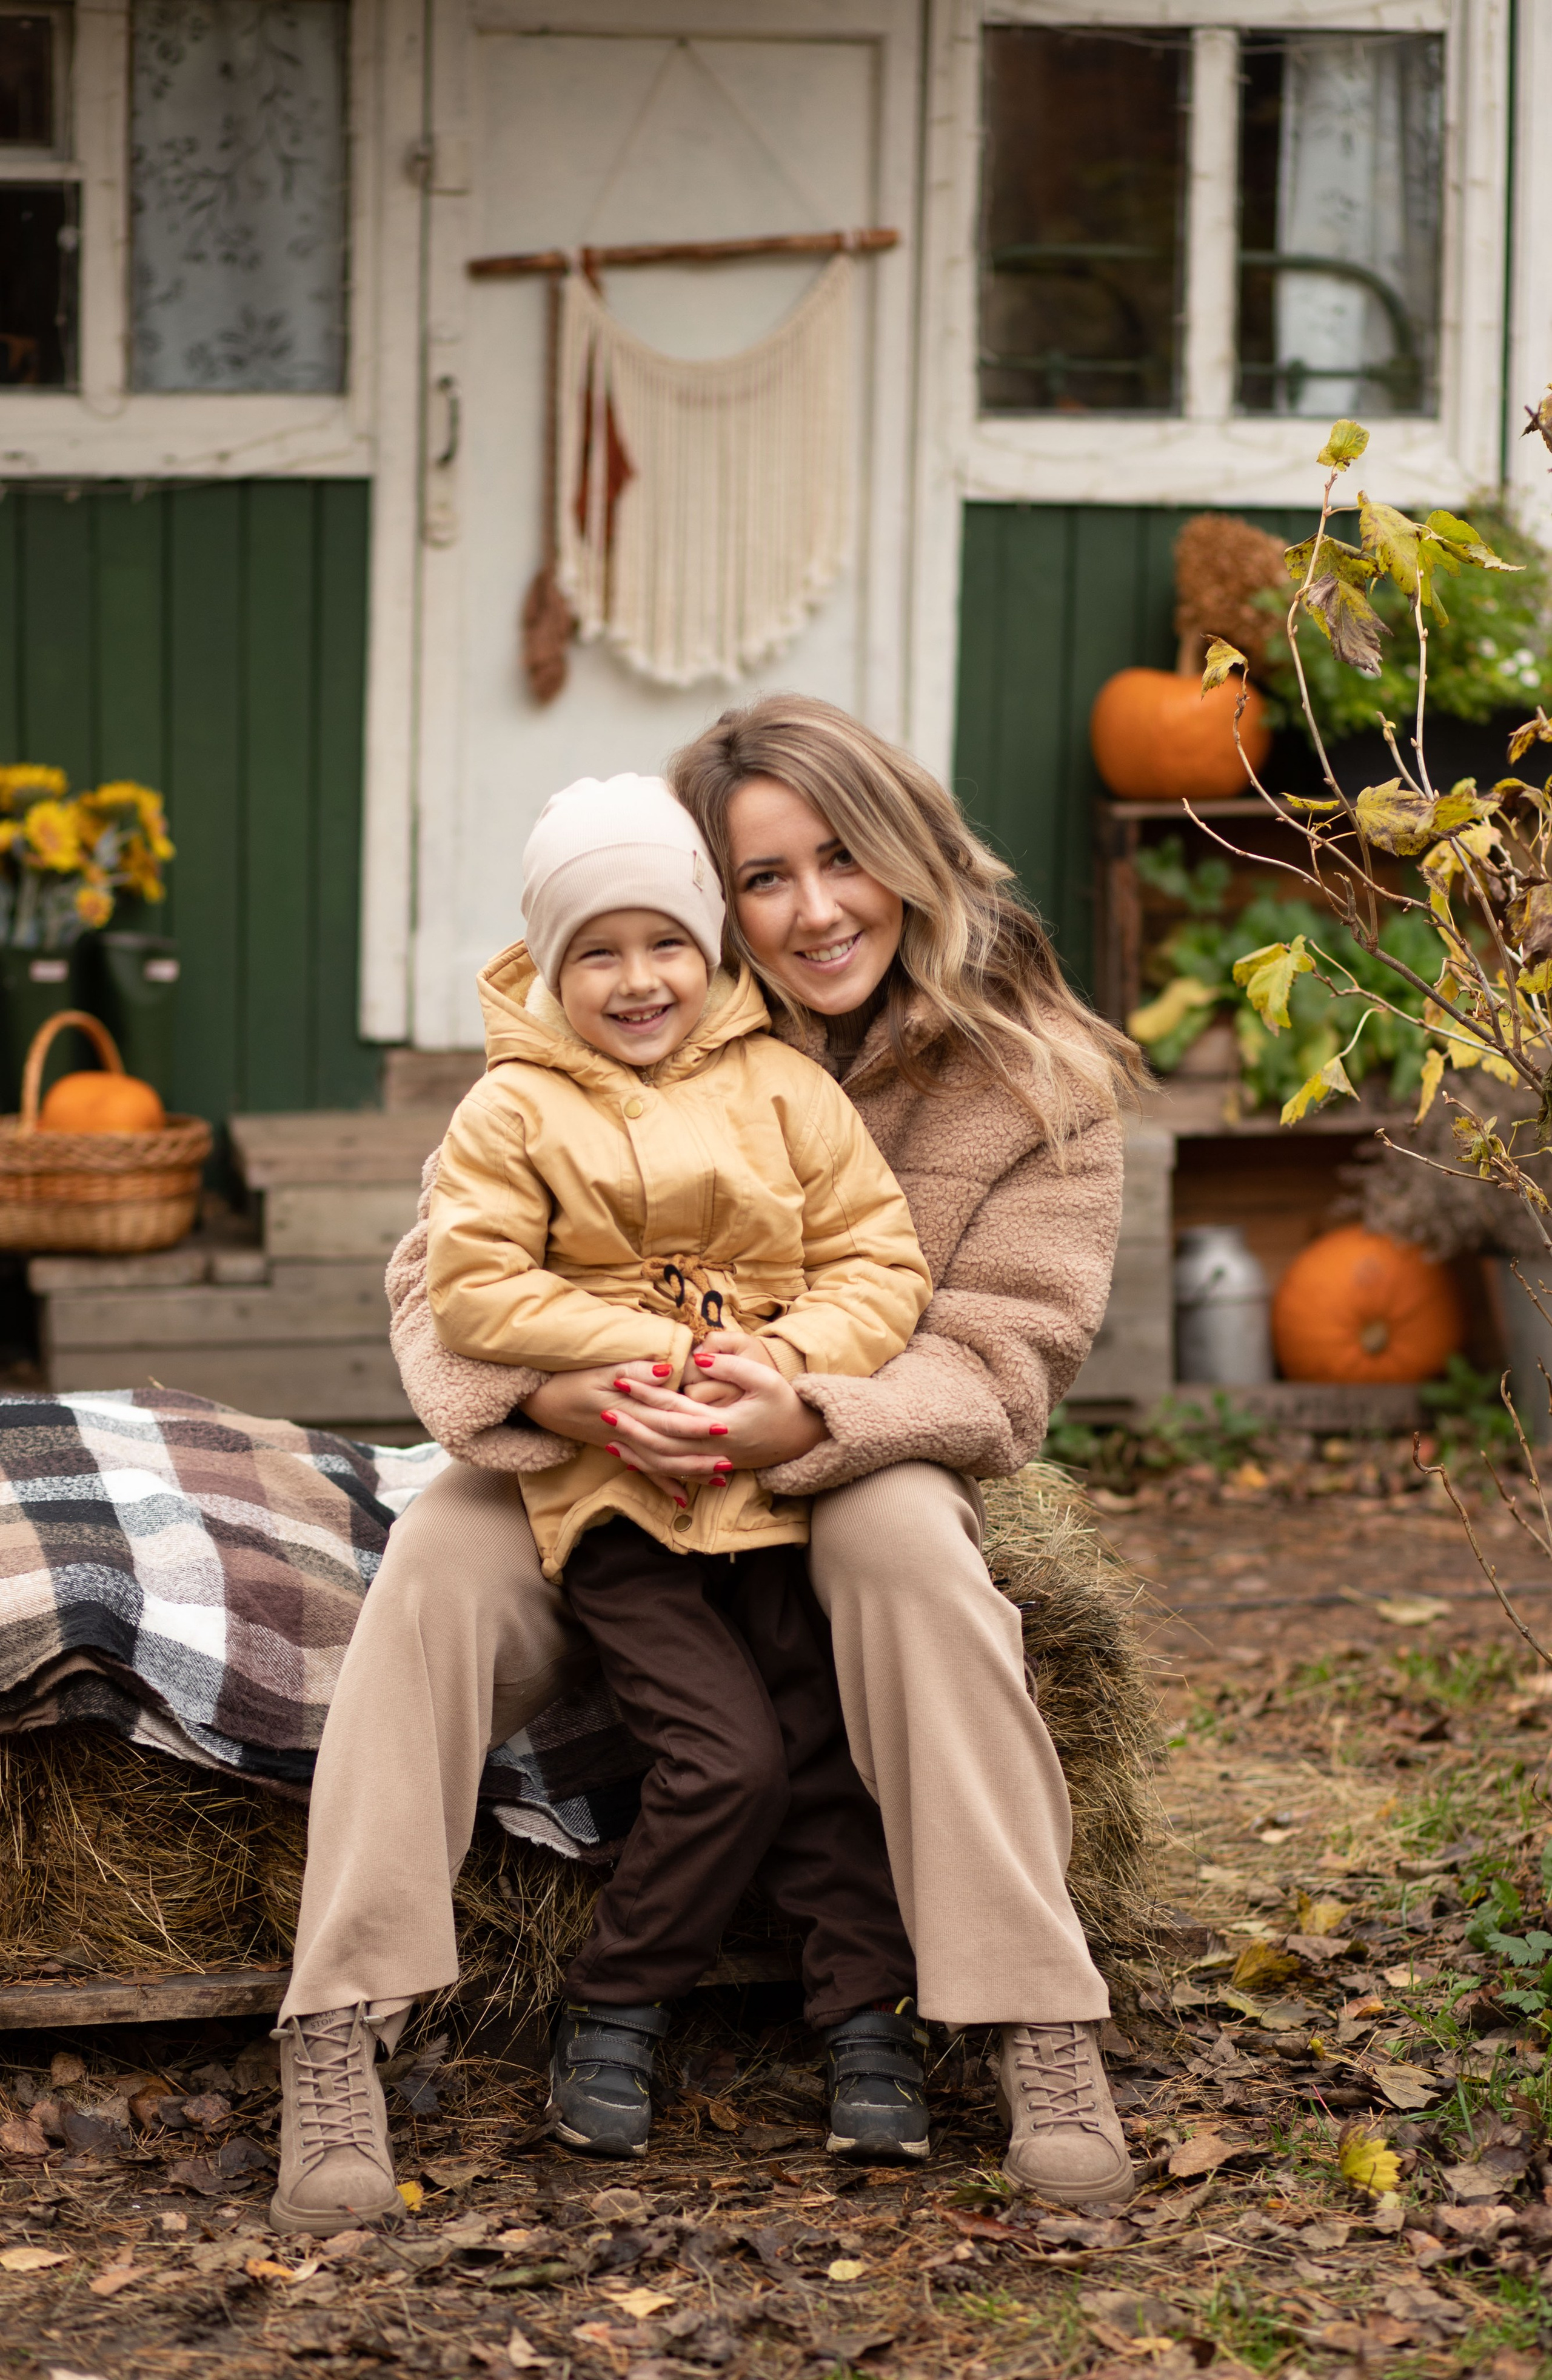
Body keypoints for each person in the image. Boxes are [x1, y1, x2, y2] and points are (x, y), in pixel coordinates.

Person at [273, 695, 1140, 2233]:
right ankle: (338, 2016)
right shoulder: (610, 1033)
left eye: (843, 859)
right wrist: (573, 1394)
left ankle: (1036, 2022)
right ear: (703, 896)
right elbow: (437, 1287)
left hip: (848, 1444)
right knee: (439, 1562)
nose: (811, 911)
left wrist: (805, 1412)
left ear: (915, 861)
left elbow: (1005, 1349)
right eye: (760, 878)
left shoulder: (1038, 1086)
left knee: (912, 1556)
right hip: (611, 1450)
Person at [420, 775, 932, 2170]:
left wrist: (791, 1362)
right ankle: (616, 2002)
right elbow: (476, 1290)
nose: (637, 979)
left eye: (665, 943)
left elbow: (878, 1259)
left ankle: (865, 2023)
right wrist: (652, 1349)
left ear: (708, 947)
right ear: (547, 961)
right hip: (623, 1502)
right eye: (597, 950)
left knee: (826, 1757)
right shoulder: (510, 1112)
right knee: (726, 1758)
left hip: (768, 1485)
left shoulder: (786, 1090)